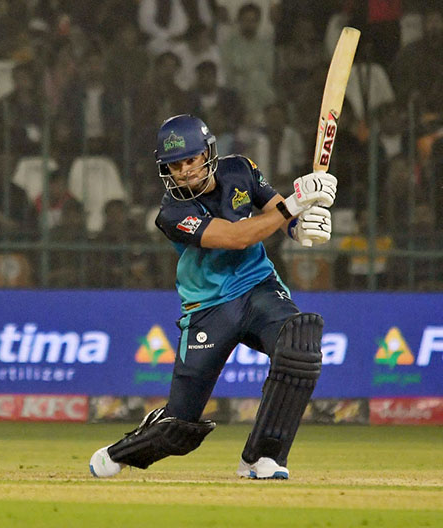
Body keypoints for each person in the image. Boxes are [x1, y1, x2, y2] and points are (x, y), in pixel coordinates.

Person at [89, 114, 336, 480]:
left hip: (258, 287)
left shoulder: (242, 169)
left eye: (191, 160)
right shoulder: (172, 212)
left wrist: (301, 227)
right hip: (209, 308)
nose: (185, 171)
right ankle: (118, 453)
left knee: (300, 343)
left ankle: (261, 458)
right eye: (175, 165)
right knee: (180, 429)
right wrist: (294, 206)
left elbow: (278, 212)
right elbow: (236, 237)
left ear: (208, 154)